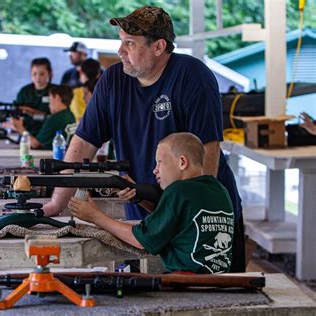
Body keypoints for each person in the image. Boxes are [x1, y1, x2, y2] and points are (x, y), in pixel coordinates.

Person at [43, 6, 246, 272]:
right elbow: (83, 143)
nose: (120, 51)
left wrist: (187, 219)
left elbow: (207, 154)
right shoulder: (113, 80)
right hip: (146, 219)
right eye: (120, 41)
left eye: (130, 43)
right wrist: (57, 203)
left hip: (202, 223)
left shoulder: (192, 76)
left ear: (159, 47)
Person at [69, 133, 234, 274]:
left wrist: (95, 216)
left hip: (185, 282)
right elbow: (176, 218)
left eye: (160, 162)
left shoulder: (178, 190)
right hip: (218, 278)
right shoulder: (219, 189)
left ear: (182, 162)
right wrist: (138, 197)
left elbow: (142, 240)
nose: (155, 170)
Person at [11, 85, 75, 150]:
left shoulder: (54, 120)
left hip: (50, 156)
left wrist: (20, 128)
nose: (49, 104)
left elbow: (34, 144)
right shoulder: (69, 115)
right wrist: (32, 112)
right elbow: (46, 117)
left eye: (50, 99)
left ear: (57, 98)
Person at [15, 58, 57, 135]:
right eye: (34, 74)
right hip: (27, 132)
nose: (37, 77)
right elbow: (17, 115)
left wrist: (34, 113)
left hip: (49, 133)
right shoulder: (24, 91)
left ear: (49, 73)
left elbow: (58, 117)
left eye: (42, 74)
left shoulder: (56, 91)